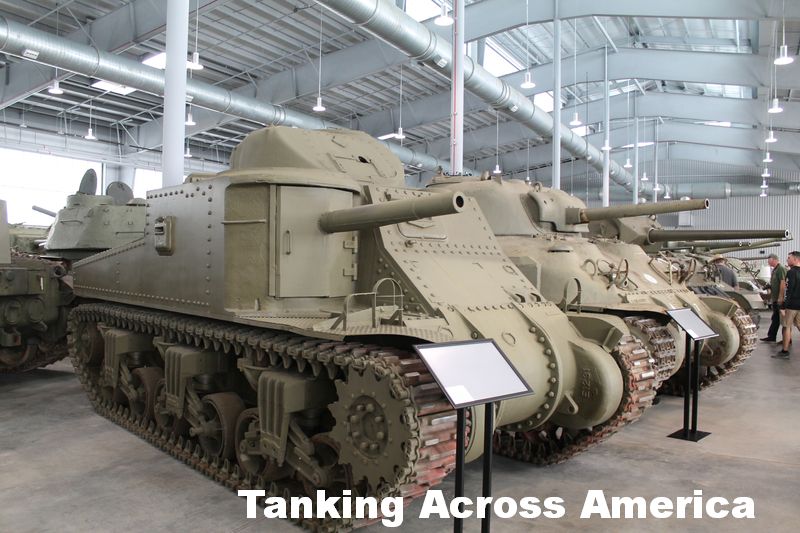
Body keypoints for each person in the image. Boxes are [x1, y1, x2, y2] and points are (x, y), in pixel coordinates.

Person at [775, 251, 800, 359]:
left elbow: (788, 290)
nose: (787, 260)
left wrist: (783, 306)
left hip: (791, 305)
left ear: (795, 259)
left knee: (786, 327)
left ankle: (784, 352)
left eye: (789, 258)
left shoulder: (791, 272)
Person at [761, 253, 786, 342]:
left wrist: (780, 297)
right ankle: (772, 336)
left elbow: (783, 283)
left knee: (782, 319)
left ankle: (786, 339)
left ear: (774, 260)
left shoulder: (781, 269)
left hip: (779, 299)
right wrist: (769, 286)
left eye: (769, 260)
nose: (768, 262)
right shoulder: (775, 270)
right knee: (775, 318)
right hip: (775, 298)